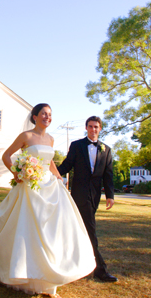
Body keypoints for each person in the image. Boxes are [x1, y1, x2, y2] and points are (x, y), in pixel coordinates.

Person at [0, 104, 96, 298]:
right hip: (29, 187)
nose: (48, 117)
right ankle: (20, 272)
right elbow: (6, 156)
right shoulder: (25, 137)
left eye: (50, 114)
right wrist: (17, 173)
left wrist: (58, 177)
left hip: (49, 186)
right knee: (26, 228)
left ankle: (47, 277)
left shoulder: (51, 139)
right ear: (35, 116)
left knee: (51, 230)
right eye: (44, 114)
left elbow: (49, 161)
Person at [57, 116, 117, 282]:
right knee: (90, 230)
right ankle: (100, 269)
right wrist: (49, 172)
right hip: (79, 195)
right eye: (90, 126)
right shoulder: (77, 145)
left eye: (96, 127)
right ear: (86, 128)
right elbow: (66, 165)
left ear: (100, 129)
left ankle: (75, 263)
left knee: (79, 229)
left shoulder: (107, 150)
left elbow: (108, 175)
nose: (93, 129)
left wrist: (110, 195)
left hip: (95, 195)